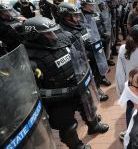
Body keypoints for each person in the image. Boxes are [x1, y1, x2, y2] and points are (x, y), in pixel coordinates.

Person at [22, 17, 109, 149]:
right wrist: (65, 92)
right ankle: (77, 146)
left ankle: (94, 126)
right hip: (57, 99)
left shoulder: (63, 39)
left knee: (89, 109)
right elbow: (34, 92)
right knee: (68, 127)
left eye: (53, 31)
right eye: (48, 33)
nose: (54, 36)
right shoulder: (29, 58)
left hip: (77, 86)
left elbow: (79, 56)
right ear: (34, 36)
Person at [57, 2, 109, 102]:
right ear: (66, 17)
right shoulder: (62, 32)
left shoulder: (79, 25)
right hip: (81, 63)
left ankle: (96, 88)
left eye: (78, 15)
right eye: (75, 16)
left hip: (92, 57)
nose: (78, 18)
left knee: (96, 75)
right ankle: (91, 96)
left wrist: (99, 40)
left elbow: (89, 37)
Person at [80, 0, 111, 87]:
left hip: (101, 41)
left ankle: (102, 77)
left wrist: (105, 34)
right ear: (84, 6)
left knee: (102, 61)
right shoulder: (81, 17)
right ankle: (96, 85)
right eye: (91, 5)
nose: (93, 7)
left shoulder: (96, 14)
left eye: (93, 5)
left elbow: (102, 24)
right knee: (94, 65)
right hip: (91, 45)